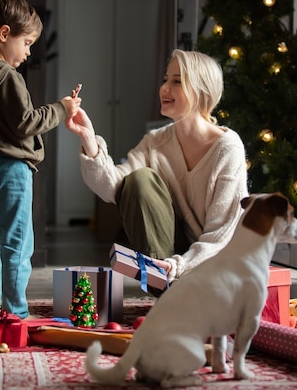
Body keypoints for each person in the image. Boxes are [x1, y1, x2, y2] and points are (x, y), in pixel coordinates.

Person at [65, 49, 249, 288]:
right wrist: (89, 139)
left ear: (202, 90)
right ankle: (165, 285)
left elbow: (221, 234)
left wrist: (182, 265)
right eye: (165, 80)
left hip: (215, 266)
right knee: (139, 180)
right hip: (169, 267)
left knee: (141, 180)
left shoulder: (227, 148)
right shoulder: (155, 142)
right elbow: (113, 188)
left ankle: (176, 287)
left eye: (177, 81)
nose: (164, 88)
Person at [0, 0, 81, 319]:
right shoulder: (9, 79)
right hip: (12, 172)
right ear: (3, 34)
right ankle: (15, 314)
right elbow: (26, 123)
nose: (28, 53)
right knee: (19, 246)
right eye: (26, 42)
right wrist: (62, 108)